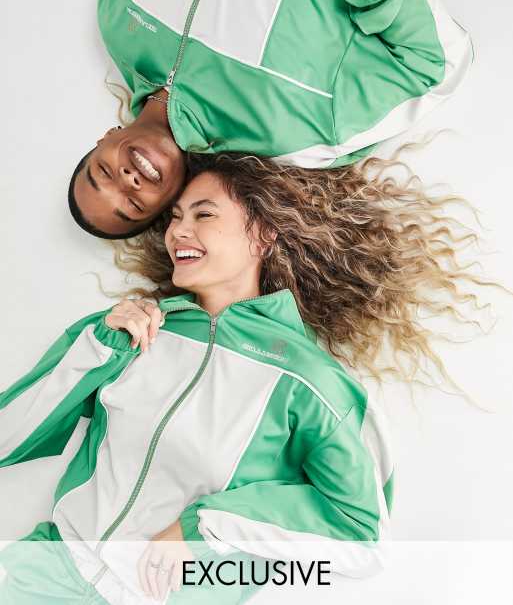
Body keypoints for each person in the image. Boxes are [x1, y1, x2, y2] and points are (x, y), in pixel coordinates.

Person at [1, 146, 497, 604]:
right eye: (175, 217)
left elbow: (361, 535)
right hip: (42, 577)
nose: (178, 232)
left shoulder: (310, 380)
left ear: (263, 234)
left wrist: (202, 527)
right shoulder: (132, 331)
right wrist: (99, 346)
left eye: (203, 215)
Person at [69, 0, 472, 238]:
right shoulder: (291, 134)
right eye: (134, 204)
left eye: (103, 173)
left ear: (105, 139)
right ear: (172, 201)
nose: (127, 181)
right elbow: (440, 65)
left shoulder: (118, 11)